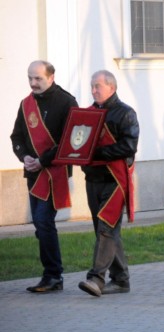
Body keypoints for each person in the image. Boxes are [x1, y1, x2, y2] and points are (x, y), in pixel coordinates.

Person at [11, 60, 78, 293]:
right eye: (30, 78)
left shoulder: (67, 102)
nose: (33, 83)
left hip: (54, 173)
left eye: (38, 78)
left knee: (43, 221)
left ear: (51, 77)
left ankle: (53, 275)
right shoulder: (26, 104)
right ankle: (52, 275)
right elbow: (16, 137)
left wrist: (43, 160)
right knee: (40, 225)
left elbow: (70, 141)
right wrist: (25, 157)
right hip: (33, 172)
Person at [78, 70, 139, 297]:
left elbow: (129, 146)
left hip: (115, 180)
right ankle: (121, 280)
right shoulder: (88, 113)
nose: (93, 90)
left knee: (106, 229)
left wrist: (98, 153)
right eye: (92, 86)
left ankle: (96, 278)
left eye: (98, 86)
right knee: (105, 231)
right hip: (93, 179)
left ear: (111, 87)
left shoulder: (125, 113)